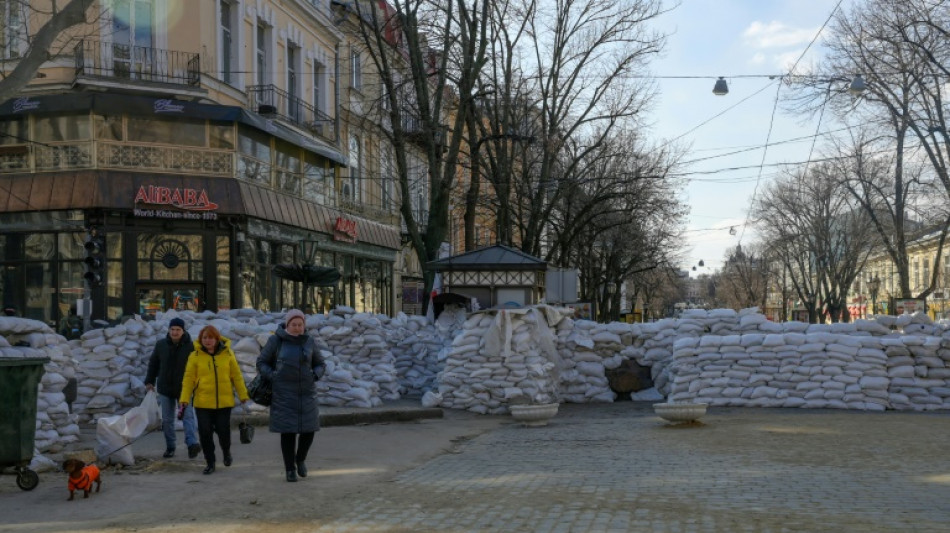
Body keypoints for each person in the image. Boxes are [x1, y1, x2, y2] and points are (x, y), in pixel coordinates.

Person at [257, 309, 326, 482]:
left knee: (309, 430)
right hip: (284, 394)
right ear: (287, 325)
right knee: (288, 432)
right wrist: (273, 375)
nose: (297, 328)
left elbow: (320, 364)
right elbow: (261, 362)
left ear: (304, 325)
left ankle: (300, 459)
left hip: (306, 393)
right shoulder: (276, 341)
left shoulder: (309, 341)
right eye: (293, 325)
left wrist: (315, 375)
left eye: (300, 325)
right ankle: (290, 469)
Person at [180, 325, 248, 475]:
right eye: (204, 338)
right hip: (202, 403)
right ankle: (210, 462)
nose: (207, 341)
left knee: (224, 432)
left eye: (210, 337)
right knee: (205, 433)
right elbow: (188, 379)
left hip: (224, 403)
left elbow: (236, 376)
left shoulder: (228, 354)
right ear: (200, 339)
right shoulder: (194, 356)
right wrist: (184, 399)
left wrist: (243, 395)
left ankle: (226, 452)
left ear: (217, 339)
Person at [144, 317, 201, 459]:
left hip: (185, 389)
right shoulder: (161, 345)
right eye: (172, 329)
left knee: (188, 416)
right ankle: (170, 446)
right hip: (165, 388)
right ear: (169, 330)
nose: (175, 332)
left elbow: (197, 368)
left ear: (183, 331)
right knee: (168, 420)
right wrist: (149, 381)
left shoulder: (191, 347)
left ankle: (192, 444)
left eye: (178, 330)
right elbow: (153, 364)